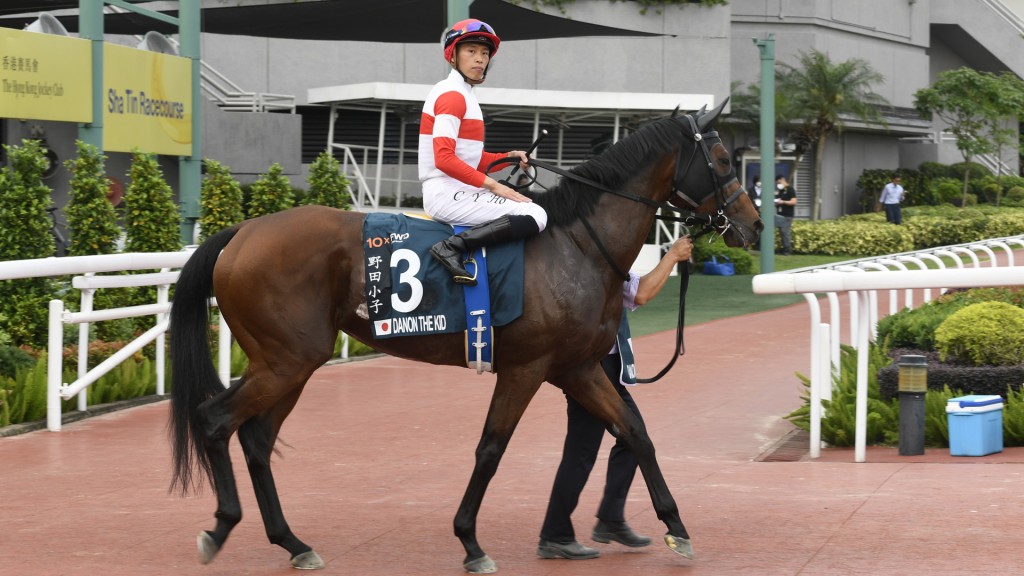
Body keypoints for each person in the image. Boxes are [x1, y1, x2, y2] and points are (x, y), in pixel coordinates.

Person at [537, 236, 694, 561]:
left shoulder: (599, 260)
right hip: (593, 370)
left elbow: (638, 291)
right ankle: (556, 534)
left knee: (624, 441)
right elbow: (642, 293)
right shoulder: (599, 264)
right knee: (599, 447)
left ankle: (607, 519)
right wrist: (673, 255)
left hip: (599, 367)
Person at [419, 19, 548, 286]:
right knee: (535, 215)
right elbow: (444, 159)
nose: (480, 59)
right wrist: (493, 185)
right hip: (445, 192)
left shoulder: (463, 94)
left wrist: (508, 157)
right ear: (453, 55)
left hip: (458, 188)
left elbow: (472, 160)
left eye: (485, 53)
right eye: (471, 51)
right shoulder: (452, 95)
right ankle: (451, 248)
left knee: (529, 204)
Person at [773, 175, 796, 255]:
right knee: (781, 233)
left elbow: (793, 202)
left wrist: (783, 202)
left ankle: (787, 250)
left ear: (783, 180)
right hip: (780, 214)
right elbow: (778, 199)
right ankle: (783, 249)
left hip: (787, 215)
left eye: (779, 182)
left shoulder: (790, 189)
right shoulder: (780, 191)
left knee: (785, 232)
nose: (778, 184)